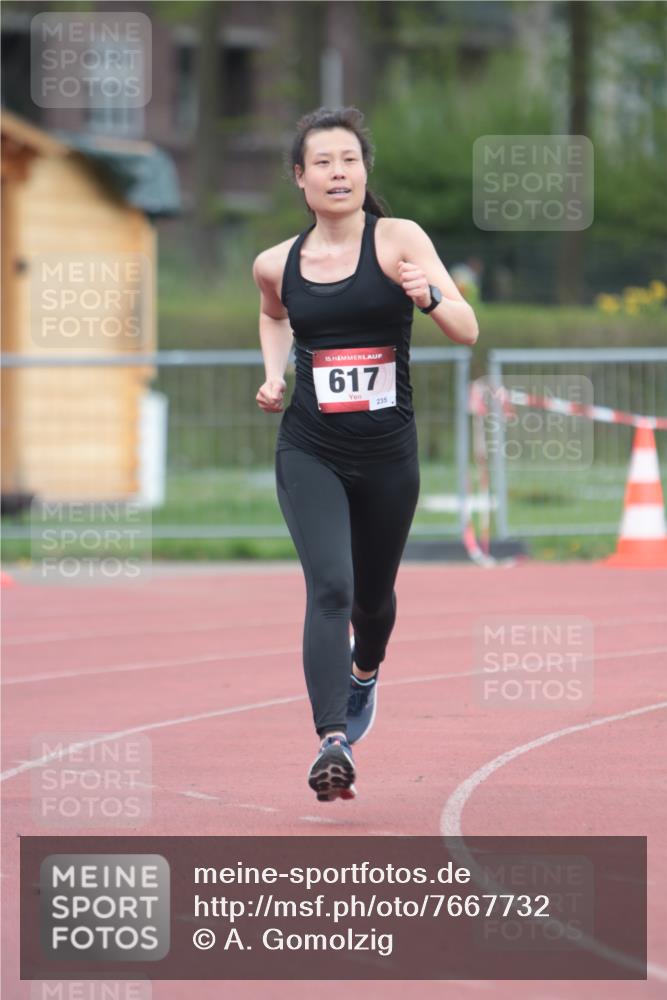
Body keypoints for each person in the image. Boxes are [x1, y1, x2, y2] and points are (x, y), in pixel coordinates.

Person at [252, 107, 478, 803]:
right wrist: (274, 372)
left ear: (363, 170)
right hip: (309, 448)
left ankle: (365, 672)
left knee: (371, 603)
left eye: (347, 159)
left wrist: (432, 295)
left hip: (386, 455)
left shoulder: (398, 240)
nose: (337, 172)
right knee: (330, 589)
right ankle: (331, 740)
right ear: (300, 178)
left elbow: (466, 331)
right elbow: (272, 313)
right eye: (321, 162)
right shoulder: (274, 263)